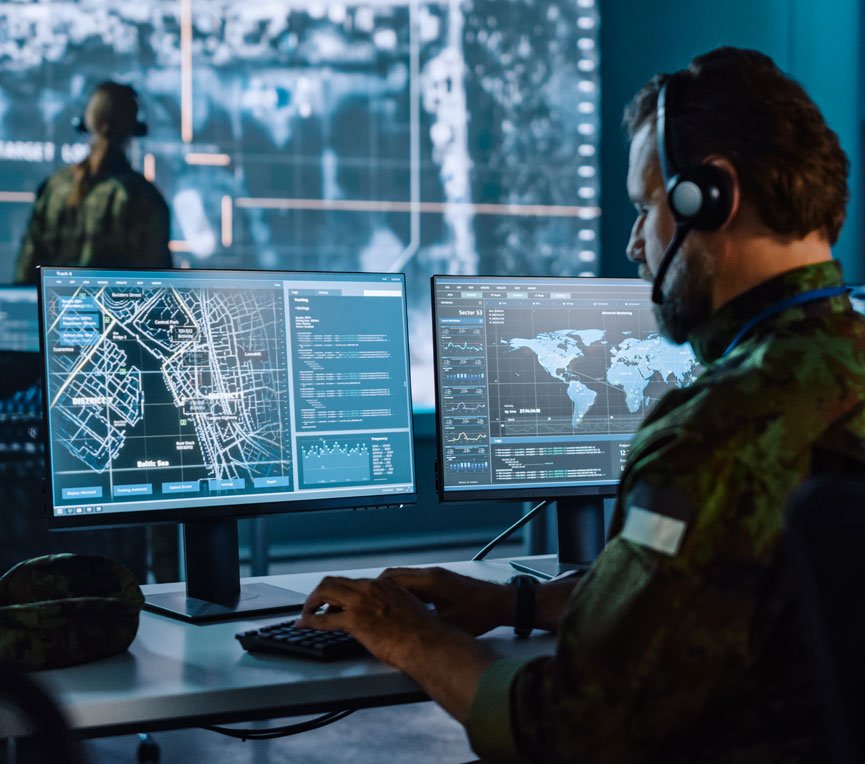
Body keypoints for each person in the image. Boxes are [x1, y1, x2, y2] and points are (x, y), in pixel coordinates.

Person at [299, 47, 865, 762]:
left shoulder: (714, 436)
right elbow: (726, 581)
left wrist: (406, 632)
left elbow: (569, 730)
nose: (634, 243)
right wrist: (517, 604)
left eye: (644, 207)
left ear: (710, 195)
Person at [14, 81, 172, 285]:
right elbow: (159, 283)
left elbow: (26, 272)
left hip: (55, 314)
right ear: (135, 126)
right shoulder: (144, 197)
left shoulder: (53, 189)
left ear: (86, 121)